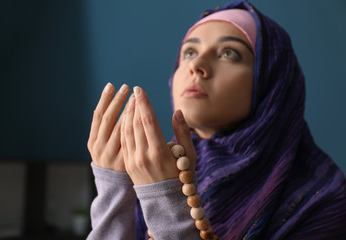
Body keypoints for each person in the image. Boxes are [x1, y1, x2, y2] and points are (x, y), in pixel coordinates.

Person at [86, 0, 346, 239]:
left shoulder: (322, 201)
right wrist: (114, 190)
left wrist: (164, 197)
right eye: (189, 52)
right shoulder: (154, 170)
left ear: (271, 84)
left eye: (228, 53)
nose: (196, 65)